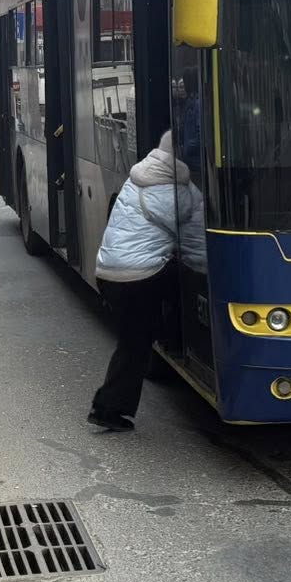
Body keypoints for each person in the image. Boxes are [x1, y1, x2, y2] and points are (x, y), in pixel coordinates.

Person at [87, 133, 202, 432]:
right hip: (137, 278)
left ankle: (167, 332)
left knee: (136, 335)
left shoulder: (137, 176)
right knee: (134, 345)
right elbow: (197, 251)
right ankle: (107, 409)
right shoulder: (184, 194)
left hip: (107, 271)